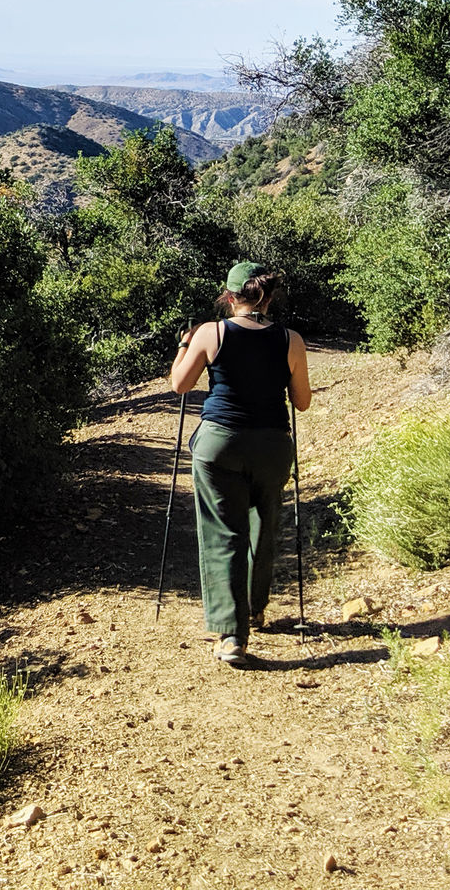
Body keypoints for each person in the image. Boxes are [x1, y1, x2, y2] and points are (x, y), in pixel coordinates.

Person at [166, 261, 311, 667]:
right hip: (272, 446)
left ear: (230, 297)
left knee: (223, 535)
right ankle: (256, 608)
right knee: (262, 525)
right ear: (266, 296)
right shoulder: (290, 339)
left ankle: (232, 636)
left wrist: (184, 344)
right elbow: (301, 401)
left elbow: (179, 384)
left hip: (219, 446)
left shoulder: (211, 333)